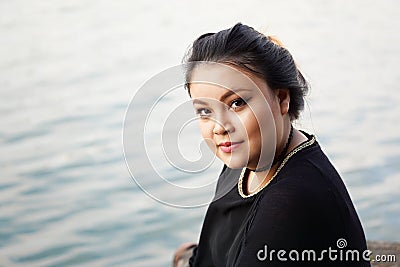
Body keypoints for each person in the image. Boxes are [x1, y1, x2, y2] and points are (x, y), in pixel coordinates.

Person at [173, 23, 371, 267]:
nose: (219, 127)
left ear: (281, 98)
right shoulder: (244, 161)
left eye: (237, 104)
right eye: (204, 111)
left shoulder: (293, 203)